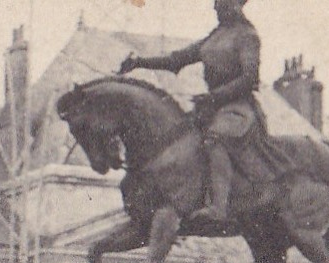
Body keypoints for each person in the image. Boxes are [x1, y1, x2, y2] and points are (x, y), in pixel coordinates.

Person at [117, 0, 275, 223]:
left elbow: (250, 79)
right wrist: (139, 62)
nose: (216, 7)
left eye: (221, 3)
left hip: (238, 108)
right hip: (211, 107)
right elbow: (175, 60)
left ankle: (218, 208)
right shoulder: (215, 37)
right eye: (216, 3)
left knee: (214, 139)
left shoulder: (247, 36)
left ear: (236, 4)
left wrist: (215, 96)